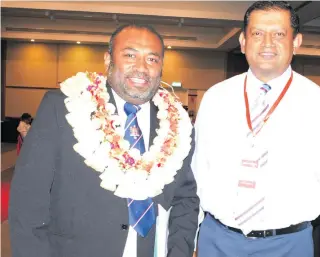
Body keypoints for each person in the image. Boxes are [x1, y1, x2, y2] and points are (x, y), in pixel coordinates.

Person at [10, 24, 199, 257]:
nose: (141, 68)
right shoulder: (63, 108)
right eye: (130, 55)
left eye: (152, 59)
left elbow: (185, 199)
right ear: (108, 59)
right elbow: (28, 200)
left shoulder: (175, 125)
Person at [192, 1, 320, 257]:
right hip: (217, 241)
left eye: (279, 34)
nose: (267, 43)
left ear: (296, 42)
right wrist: (191, 241)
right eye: (257, 33)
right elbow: (198, 174)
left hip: (287, 245)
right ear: (243, 41)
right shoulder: (216, 98)